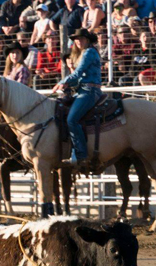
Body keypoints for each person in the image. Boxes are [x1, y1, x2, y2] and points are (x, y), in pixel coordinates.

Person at [52, 28, 101, 168]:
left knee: (72, 120)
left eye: (81, 38)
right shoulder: (85, 53)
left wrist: (62, 83)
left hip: (89, 91)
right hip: (83, 90)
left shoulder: (89, 52)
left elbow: (78, 73)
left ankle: (81, 154)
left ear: (87, 39)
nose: (78, 41)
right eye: (76, 39)